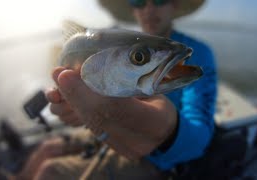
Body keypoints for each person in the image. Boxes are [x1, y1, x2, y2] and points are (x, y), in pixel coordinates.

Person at [13, 0, 217, 179]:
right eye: (138, 2)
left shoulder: (199, 54)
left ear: (174, 4)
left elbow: (201, 136)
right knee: (46, 150)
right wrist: (77, 109)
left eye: (159, 0)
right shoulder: (116, 40)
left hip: (157, 160)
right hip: (102, 135)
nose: (148, 9)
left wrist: (169, 134)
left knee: (50, 172)